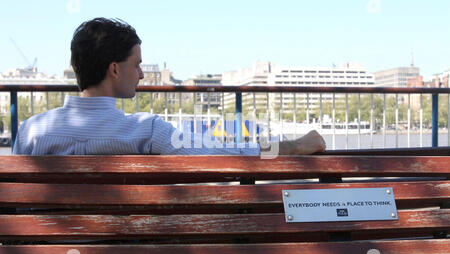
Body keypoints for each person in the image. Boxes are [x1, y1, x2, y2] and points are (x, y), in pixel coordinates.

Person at [13, 17, 326, 156]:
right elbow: (223, 150)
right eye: (136, 65)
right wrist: (291, 146)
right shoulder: (146, 130)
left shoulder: (30, 131)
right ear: (113, 69)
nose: (142, 75)